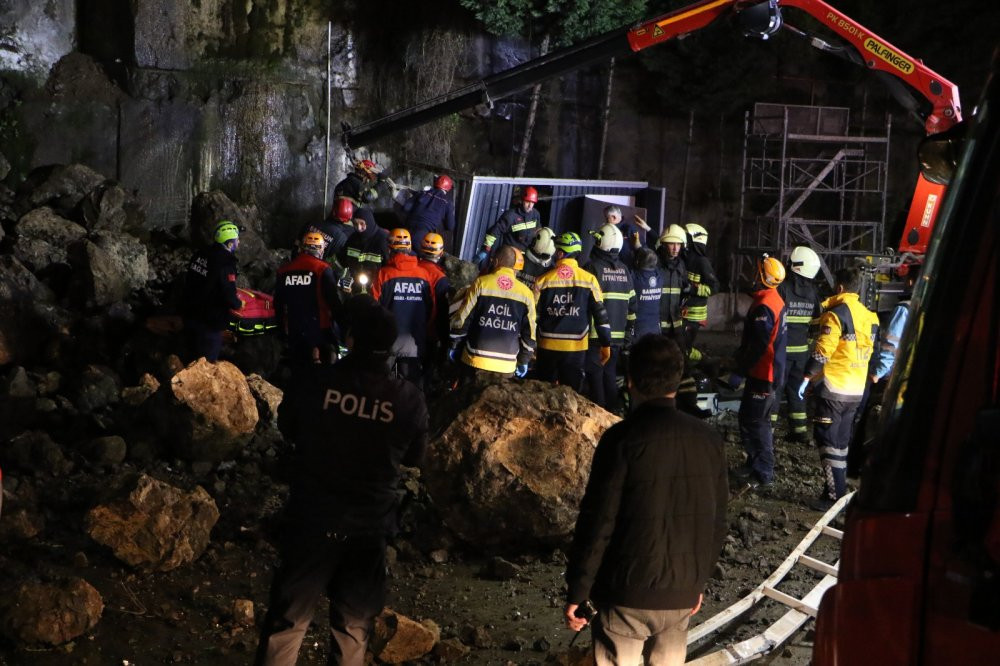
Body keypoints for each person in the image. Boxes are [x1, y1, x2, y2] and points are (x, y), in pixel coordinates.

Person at [254, 297, 428, 666]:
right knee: (353, 629)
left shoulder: (316, 382)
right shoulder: (408, 400)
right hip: (369, 526)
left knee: (287, 622)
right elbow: (415, 457)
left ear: (350, 338)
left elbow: (288, 426)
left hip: (313, 519)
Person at [564, 335, 728, 666]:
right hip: (681, 594)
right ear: (678, 380)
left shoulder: (620, 440)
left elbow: (598, 522)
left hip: (625, 594)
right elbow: (717, 522)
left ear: (631, 382)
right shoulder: (709, 440)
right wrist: (697, 582)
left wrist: (579, 590)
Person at [797, 266, 879, 509]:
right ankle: (836, 490)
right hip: (856, 391)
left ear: (839, 287)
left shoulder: (836, 315)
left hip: (834, 389)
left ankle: (834, 496)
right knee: (841, 443)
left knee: (827, 441)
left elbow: (823, 352)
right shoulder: (870, 317)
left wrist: (807, 377)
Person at [733, 255, 788, 490]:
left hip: (763, 374)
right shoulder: (773, 299)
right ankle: (754, 464)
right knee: (750, 419)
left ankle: (764, 473)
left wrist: (739, 371)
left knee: (756, 423)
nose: (751, 274)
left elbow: (758, 345)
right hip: (767, 373)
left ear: (763, 277)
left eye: (755, 271)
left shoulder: (764, 305)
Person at [534, 232, 612, 393]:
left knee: (542, 395)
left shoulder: (542, 280)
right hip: (575, 347)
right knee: (571, 396)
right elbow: (601, 316)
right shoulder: (589, 280)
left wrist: (530, 344)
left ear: (560, 253)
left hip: (546, 346)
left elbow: (531, 315)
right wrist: (606, 344)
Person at [449, 246, 536, 381]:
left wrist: (454, 344)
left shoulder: (481, 283)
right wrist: (524, 359)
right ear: (516, 269)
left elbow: (463, 318)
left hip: (475, 360)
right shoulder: (526, 293)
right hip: (506, 366)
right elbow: (529, 333)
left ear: (495, 262)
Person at [371, 229, 436, 387]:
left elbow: (373, 308)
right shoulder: (424, 275)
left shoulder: (383, 274)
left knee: (378, 387)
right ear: (410, 248)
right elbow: (432, 310)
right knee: (411, 390)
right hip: (414, 342)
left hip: (387, 342)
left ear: (389, 248)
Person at [583, 223, 636, 412]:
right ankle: (613, 415)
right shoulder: (625, 270)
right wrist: (628, 334)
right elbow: (632, 306)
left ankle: (599, 416)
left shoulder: (592, 268)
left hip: (595, 336)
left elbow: (583, 303)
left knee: (595, 377)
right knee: (609, 376)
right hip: (617, 338)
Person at [274, 230, 342, 366]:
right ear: (321, 250)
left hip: (294, 328)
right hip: (320, 328)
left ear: (302, 248)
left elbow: (278, 303)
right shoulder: (323, 269)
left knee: (299, 367)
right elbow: (334, 303)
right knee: (325, 367)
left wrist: (281, 329)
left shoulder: (284, 271)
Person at [777, 246, 823, 444]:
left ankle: (767, 430)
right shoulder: (813, 293)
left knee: (775, 390)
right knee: (797, 392)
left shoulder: (782, 288)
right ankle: (800, 431)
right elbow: (816, 325)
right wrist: (807, 345)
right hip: (801, 354)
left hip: (781, 352)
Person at [181, 220, 243, 362]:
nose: (239, 242)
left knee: (190, 356)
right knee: (207, 363)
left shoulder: (200, 254)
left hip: (190, 313)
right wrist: (238, 304)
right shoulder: (225, 263)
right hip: (209, 321)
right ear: (229, 244)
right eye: (237, 239)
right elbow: (228, 293)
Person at [681, 223, 720, 362]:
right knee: (680, 345)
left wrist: (693, 289)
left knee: (685, 348)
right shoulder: (685, 258)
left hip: (694, 314)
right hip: (683, 311)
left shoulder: (702, 262)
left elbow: (714, 287)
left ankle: (704, 361)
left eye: (686, 237)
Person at [476, 186, 541, 265]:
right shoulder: (511, 216)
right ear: (522, 200)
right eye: (527, 202)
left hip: (527, 257)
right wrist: (485, 249)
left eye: (532, 203)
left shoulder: (535, 215)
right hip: (510, 256)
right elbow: (494, 232)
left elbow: (538, 233)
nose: (530, 206)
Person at [416, 233, 451, 373]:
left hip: (405, 328)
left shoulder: (411, 269)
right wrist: (445, 342)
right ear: (441, 253)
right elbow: (442, 313)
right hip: (428, 334)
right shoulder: (439, 277)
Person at [655, 224, 690, 351]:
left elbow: (684, 288)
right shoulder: (655, 264)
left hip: (676, 323)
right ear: (664, 244)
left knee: (679, 353)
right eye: (671, 244)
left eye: (678, 244)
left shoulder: (681, 265)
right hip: (659, 322)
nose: (675, 248)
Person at [339, 207, 389, 295]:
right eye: (355, 224)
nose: (359, 228)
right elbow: (342, 262)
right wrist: (344, 281)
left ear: (369, 223)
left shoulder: (383, 239)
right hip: (355, 288)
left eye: (362, 223)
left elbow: (389, 267)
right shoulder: (352, 239)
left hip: (377, 289)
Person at [295, 197, 354, 263]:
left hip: (297, 263)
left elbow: (296, 246)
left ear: (333, 211)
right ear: (349, 217)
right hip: (320, 268)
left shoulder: (311, 223)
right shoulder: (342, 239)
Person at [404, 174, 456, 242]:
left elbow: (406, 208)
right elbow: (450, 226)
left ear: (435, 183)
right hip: (423, 234)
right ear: (448, 189)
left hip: (406, 229)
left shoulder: (422, 193)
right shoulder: (448, 203)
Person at [629, 247, 667, 339]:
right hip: (655, 328)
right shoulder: (659, 277)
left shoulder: (635, 278)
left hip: (639, 329)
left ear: (637, 262)